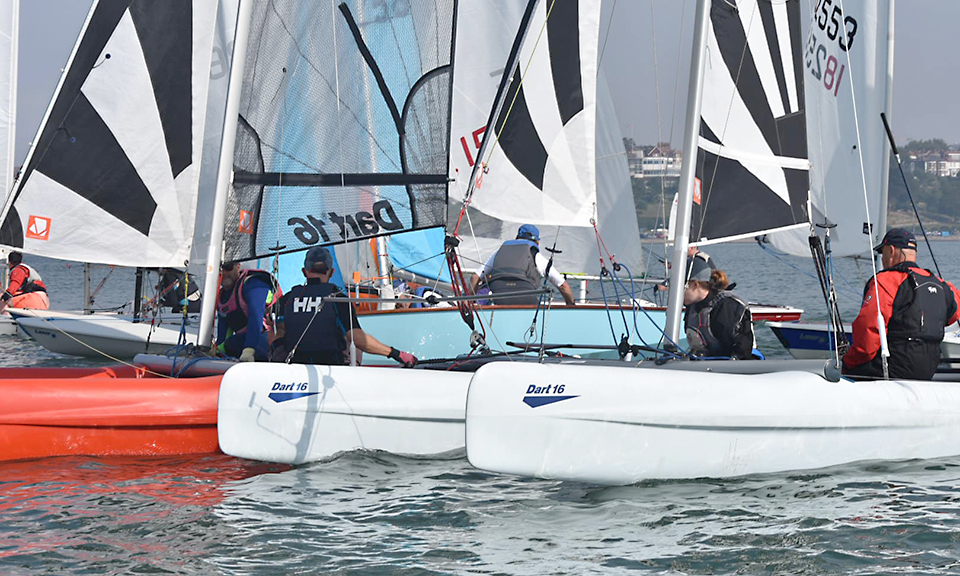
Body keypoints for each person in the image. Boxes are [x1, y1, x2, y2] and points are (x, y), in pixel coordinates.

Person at [843, 228, 960, 380]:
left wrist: (848, 363)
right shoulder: (943, 285)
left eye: (883, 253)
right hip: (928, 368)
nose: (883, 259)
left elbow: (869, 331)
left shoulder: (885, 281)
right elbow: (954, 316)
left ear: (891, 251)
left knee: (847, 373)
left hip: (892, 369)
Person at [270, 247, 417, 367]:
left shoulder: (288, 299)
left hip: (294, 370)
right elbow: (358, 339)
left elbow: (276, 330)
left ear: (304, 272)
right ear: (332, 272)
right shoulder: (336, 298)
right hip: (330, 369)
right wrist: (396, 354)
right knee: (351, 343)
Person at [468, 224, 576, 306]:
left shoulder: (499, 252)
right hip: (526, 298)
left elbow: (475, 277)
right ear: (537, 242)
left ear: (517, 237)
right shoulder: (536, 255)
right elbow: (563, 286)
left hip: (498, 298)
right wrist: (571, 306)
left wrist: (470, 302)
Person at [683, 257, 757, 360]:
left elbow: (742, 350)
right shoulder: (692, 307)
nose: (676, 293)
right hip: (706, 365)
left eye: (681, 287)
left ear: (696, 284)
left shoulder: (726, 307)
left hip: (735, 366)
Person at [216, 261, 280, 362]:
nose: (223, 272)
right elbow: (224, 331)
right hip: (243, 341)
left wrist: (249, 350)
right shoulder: (222, 297)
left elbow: (256, 317)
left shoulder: (254, 284)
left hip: (267, 337)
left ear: (238, 266)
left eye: (228, 267)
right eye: (219, 269)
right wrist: (218, 351)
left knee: (233, 343)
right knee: (231, 344)